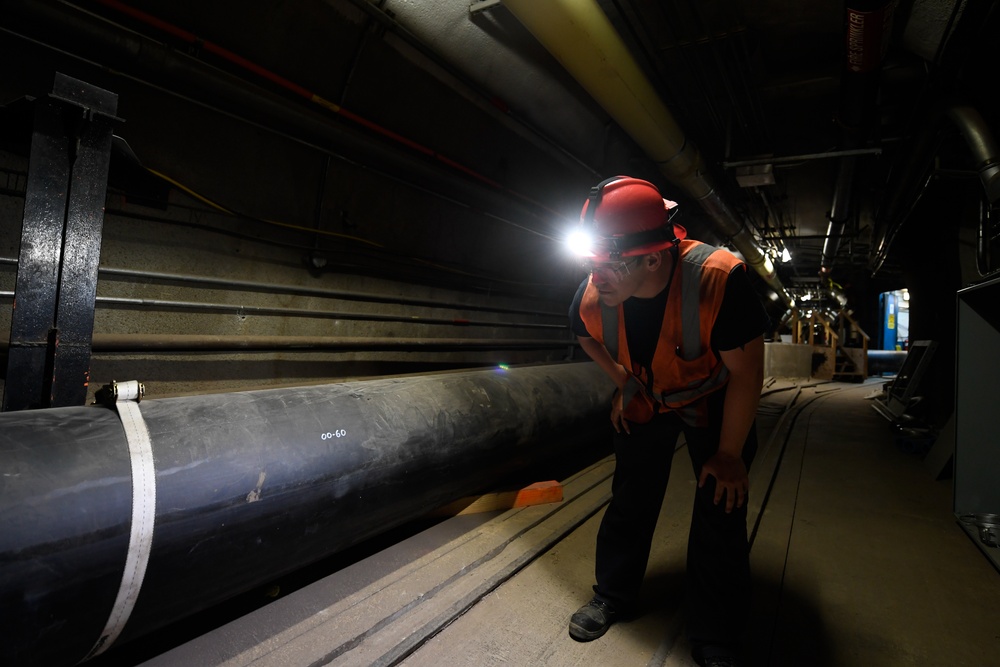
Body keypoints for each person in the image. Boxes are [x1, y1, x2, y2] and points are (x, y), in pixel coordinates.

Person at [566, 176, 768, 667]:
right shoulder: (595, 294)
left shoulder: (719, 280)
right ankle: (613, 594)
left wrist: (728, 454)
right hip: (649, 398)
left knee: (720, 504)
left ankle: (715, 633)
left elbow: (747, 374)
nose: (596, 277)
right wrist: (624, 383)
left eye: (607, 265)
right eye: (589, 263)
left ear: (652, 258)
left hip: (714, 397)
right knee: (631, 495)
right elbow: (585, 334)